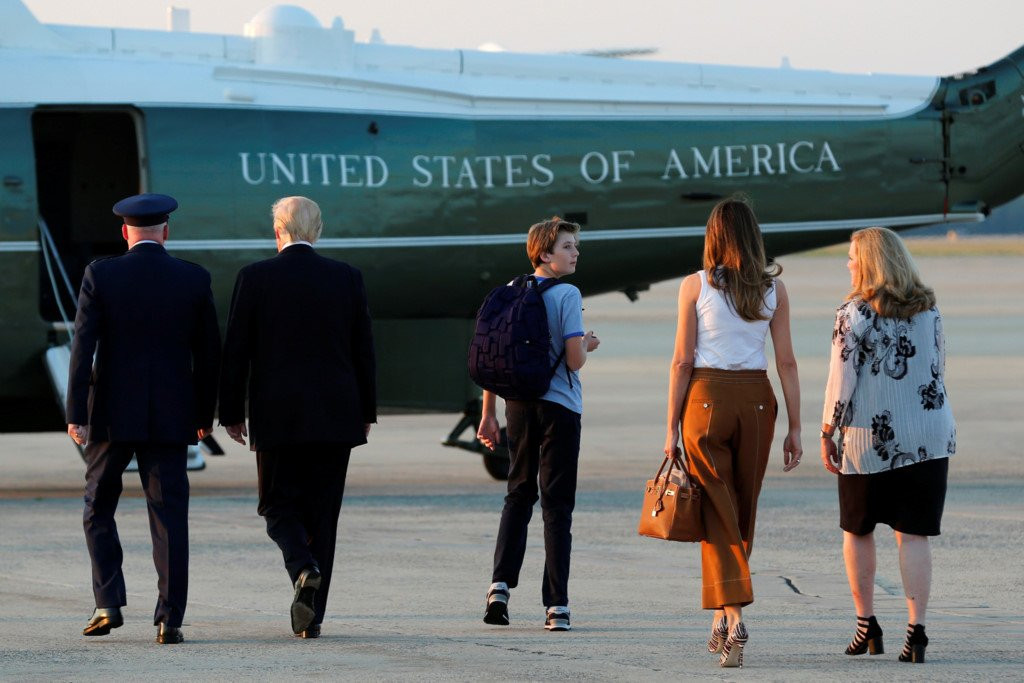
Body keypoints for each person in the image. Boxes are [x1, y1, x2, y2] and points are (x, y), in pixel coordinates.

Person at [219, 196, 376, 639]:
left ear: (277, 231)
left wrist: (230, 412)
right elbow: (363, 350)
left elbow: (237, 351)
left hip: (277, 415)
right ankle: (313, 620)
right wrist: (365, 411)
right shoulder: (347, 277)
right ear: (318, 230)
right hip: (336, 414)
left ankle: (302, 566)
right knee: (323, 514)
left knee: (275, 505)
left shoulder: (254, 278)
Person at [67, 193, 221, 645]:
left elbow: (83, 347)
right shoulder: (192, 278)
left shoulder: (101, 273)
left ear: (124, 232)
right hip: (172, 415)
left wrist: (76, 412)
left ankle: (107, 602)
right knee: (169, 515)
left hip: (111, 414)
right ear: (166, 231)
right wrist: (203, 415)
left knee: (98, 506)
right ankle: (168, 619)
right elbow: (209, 353)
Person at [663, 198, 802, 668]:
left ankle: (733, 612)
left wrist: (670, 430)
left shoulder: (695, 285)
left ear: (714, 237)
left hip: (705, 400)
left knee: (717, 510)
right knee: (741, 507)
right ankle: (721, 618)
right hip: (758, 401)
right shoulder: (773, 290)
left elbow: (682, 361)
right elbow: (786, 361)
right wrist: (796, 426)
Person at [820, 227, 955, 664]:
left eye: (852, 256)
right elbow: (938, 367)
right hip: (928, 435)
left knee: (858, 529)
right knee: (913, 534)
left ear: (871, 262)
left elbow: (842, 381)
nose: (848, 264)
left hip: (869, 438)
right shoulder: (929, 310)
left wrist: (827, 430)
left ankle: (867, 625)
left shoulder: (854, 312)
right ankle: (916, 634)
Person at [476, 217, 600, 632]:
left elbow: (496, 358)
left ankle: (498, 588)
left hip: (517, 406)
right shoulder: (567, 293)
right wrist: (588, 343)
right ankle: (556, 606)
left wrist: (487, 413)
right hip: (559, 407)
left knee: (517, 494)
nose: (575, 252)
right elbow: (574, 359)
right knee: (556, 505)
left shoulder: (510, 292)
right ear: (545, 253)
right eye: (567, 246)